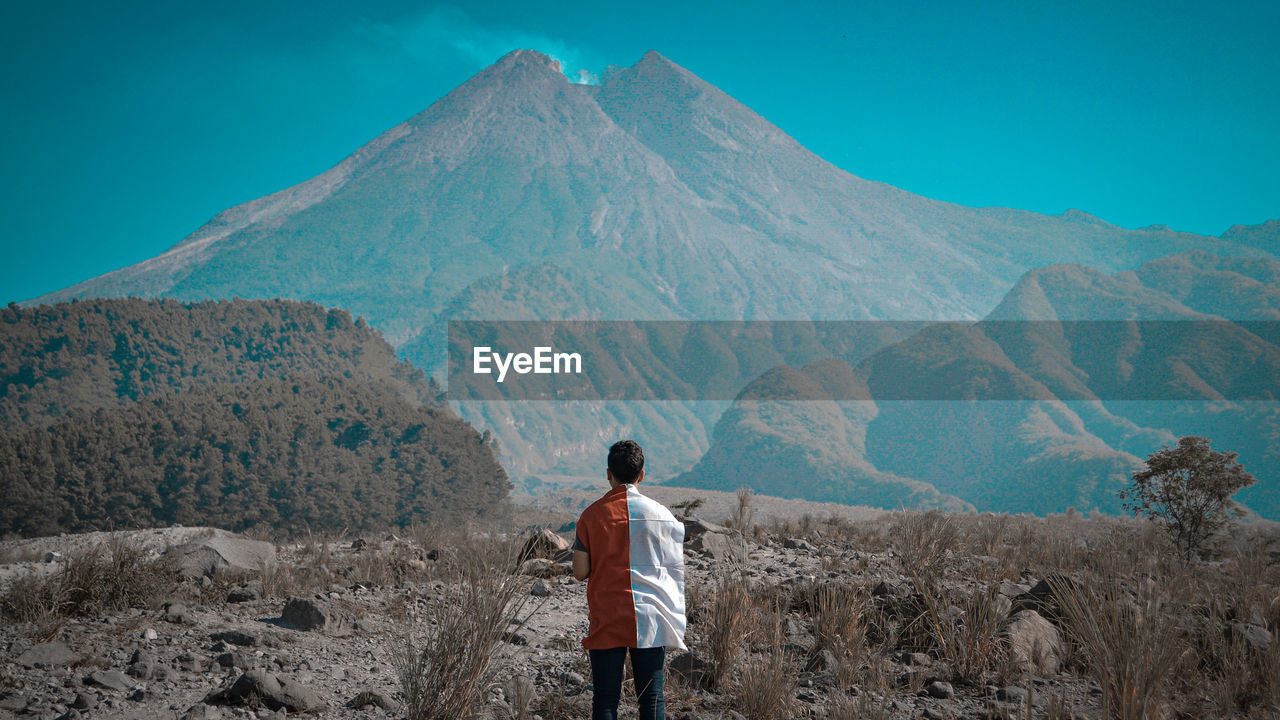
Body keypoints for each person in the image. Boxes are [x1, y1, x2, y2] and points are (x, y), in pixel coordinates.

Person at [573, 440, 686, 720]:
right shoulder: (663, 516)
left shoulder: (591, 516)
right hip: (651, 617)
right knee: (652, 699)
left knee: (606, 700)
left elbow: (579, 572)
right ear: (642, 474)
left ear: (608, 473)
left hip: (608, 615)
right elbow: (673, 568)